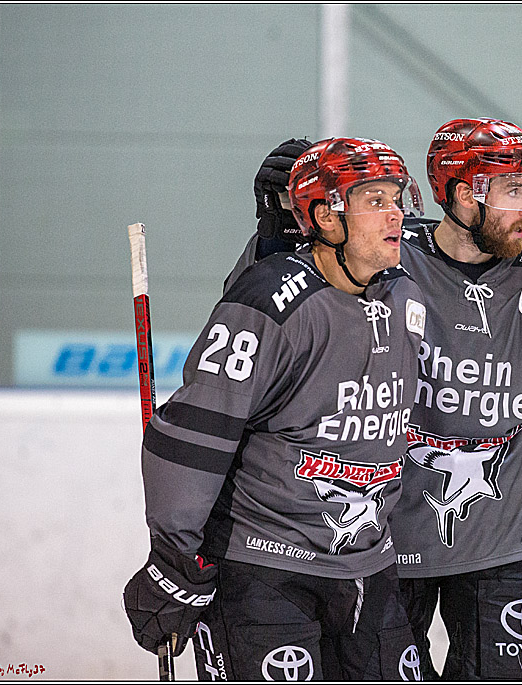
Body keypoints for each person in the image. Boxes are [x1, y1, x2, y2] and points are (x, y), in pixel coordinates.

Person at [242, 119, 522, 680]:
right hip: (377, 544)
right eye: (511, 189)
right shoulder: (380, 256)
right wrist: (276, 239)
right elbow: (273, 322)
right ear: (458, 193)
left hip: (509, 542)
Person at [123, 137, 430, 681]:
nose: (396, 215)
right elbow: (197, 431)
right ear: (326, 218)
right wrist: (174, 555)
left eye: (397, 198)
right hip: (267, 570)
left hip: (370, 566)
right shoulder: (267, 302)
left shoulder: (404, 293)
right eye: (376, 200)